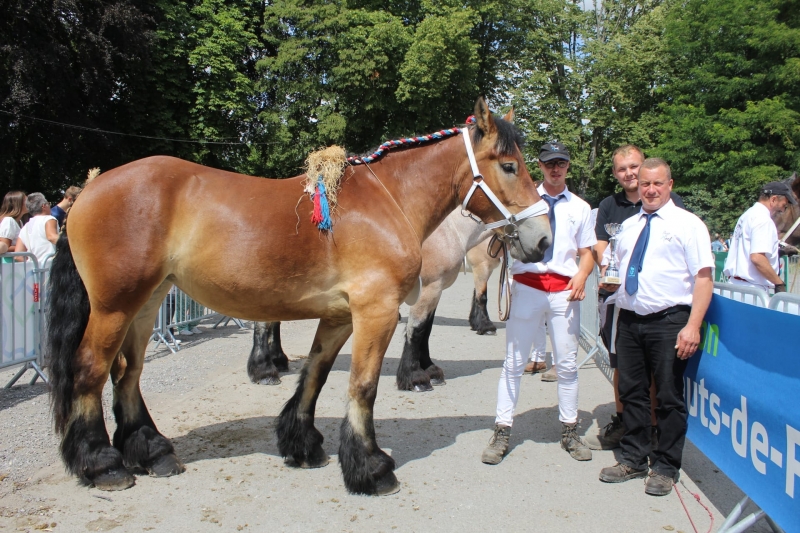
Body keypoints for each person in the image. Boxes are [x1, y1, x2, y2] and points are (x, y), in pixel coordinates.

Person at [598, 158, 713, 496]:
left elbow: (704, 279)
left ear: (670, 185)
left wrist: (693, 325)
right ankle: (633, 458)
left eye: (657, 184)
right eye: (645, 184)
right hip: (630, 319)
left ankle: (665, 466)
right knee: (632, 393)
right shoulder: (629, 226)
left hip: (669, 322)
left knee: (667, 397)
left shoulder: (689, 224)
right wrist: (609, 286)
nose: (649, 189)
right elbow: (619, 270)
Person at [481, 141, 596, 465]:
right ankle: (502, 430)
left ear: (568, 166)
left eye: (560, 163)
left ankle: (570, 431)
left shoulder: (580, 208)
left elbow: (587, 252)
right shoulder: (523, 202)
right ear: (541, 166)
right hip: (528, 287)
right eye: (549, 163)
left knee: (568, 365)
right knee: (513, 363)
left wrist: (582, 276)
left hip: (564, 291)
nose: (555, 168)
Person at [588, 145, 686, 451]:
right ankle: (624, 421)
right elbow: (600, 244)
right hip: (620, 301)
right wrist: (610, 268)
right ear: (616, 174)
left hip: (660, 308)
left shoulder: (674, 206)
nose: (629, 173)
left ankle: (654, 428)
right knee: (622, 366)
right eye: (622, 169)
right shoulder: (609, 205)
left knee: (659, 372)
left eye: (634, 167)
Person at [723, 181, 796, 293]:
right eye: (784, 206)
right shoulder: (763, 220)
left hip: (736, 285)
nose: (782, 210)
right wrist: (779, 283)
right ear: (773, 200)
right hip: (752, 290)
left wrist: (776, 253)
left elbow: (747, 250)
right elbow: (757, 258)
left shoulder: (747, 215)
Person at [15, 193, 59, 265]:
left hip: (34, 270)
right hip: (50, 265)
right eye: (48, 203)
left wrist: (32, 264)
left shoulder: (25, 227)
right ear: (43, 206)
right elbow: (52, 237)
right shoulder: (49, 219)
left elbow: (17, 256)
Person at [0, 191, 29, 262]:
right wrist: (25, 247)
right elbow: (4, 247)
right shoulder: (9, 221)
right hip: (8, 264)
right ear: (18, 204)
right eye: (26, 201)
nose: (29, 203)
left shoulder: (19, 222)